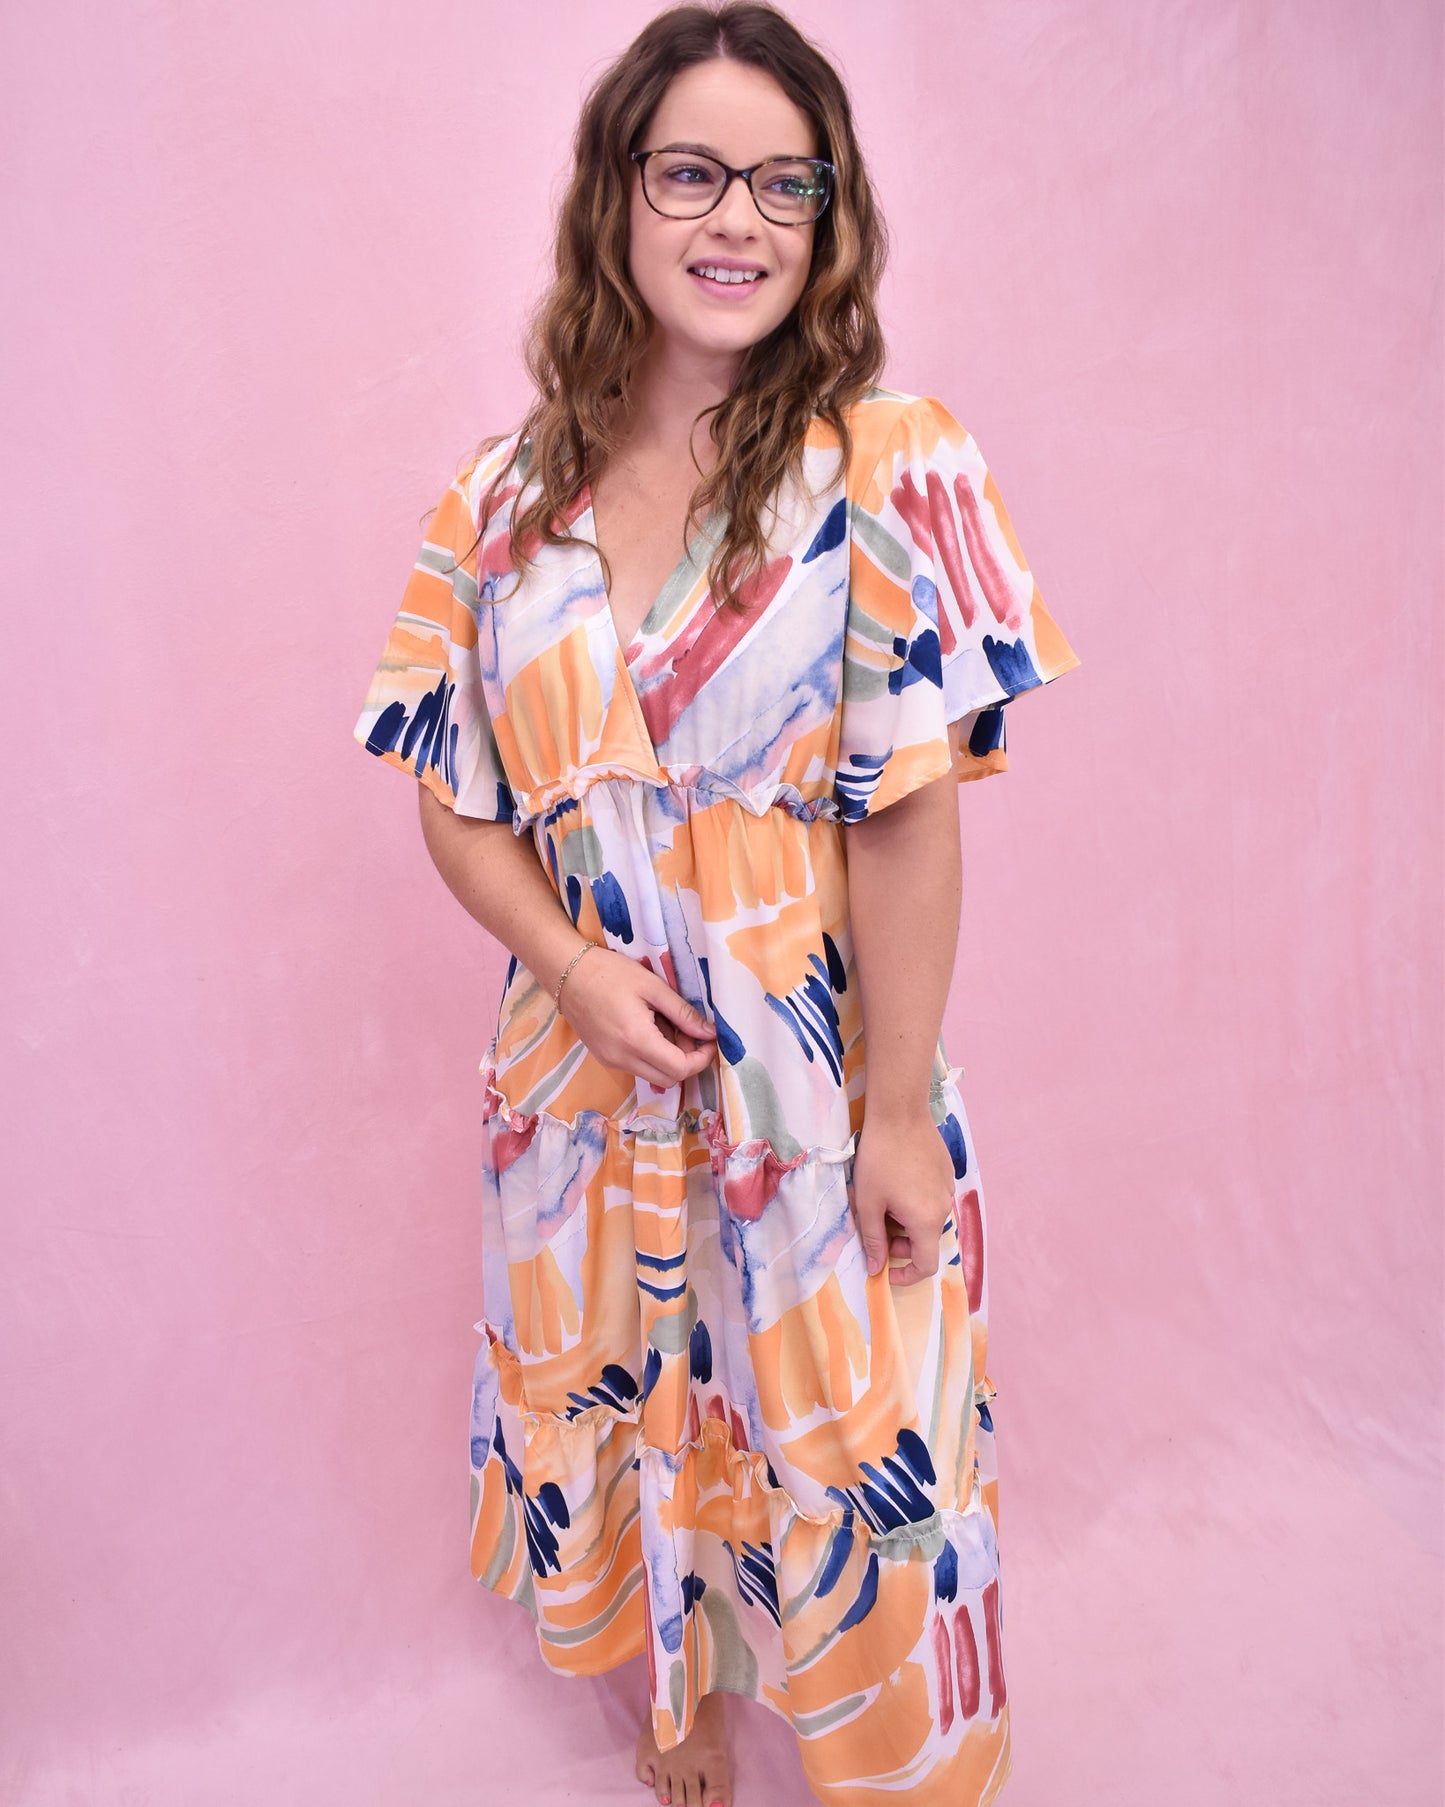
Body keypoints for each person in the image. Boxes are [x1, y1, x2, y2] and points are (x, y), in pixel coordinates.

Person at [353, 5, 1080, 1802]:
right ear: (617, 197)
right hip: (585, 1086)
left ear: (827, 223)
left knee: (851, 1440)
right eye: (690, 171)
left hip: (814, 1087)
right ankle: (676, 1707)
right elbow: (458, 802)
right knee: (624, 1395)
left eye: (783, 182)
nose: (733, 218)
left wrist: (895, 1112)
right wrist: (571, 968)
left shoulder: (889, 461)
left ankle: (892, 1755)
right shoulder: (502, 500)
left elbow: (907, 815)